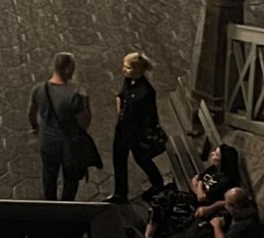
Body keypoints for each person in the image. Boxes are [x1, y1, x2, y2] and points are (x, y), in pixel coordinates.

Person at [28, 52, 99, 201]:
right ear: (67, 69)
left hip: (47, 142)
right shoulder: (74, 96)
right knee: (71, 177)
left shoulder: (39, 89)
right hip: (69, 145)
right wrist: (86, 102)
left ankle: (50, 203)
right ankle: (67, 205)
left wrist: (35, 127)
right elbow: (84, 124)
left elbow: (31, 113)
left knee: (49, 174)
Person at [112, 51, 169, 205]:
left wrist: (143, 137)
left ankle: (158, 185)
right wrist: (121, 114)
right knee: (118, 160)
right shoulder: (128, 80)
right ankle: (120, 193)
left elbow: (150, 118)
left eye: (128, 68)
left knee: (142, 160)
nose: (124, 70)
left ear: (138, 70)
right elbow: (121, 95)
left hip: (136, 134)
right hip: (123, 129)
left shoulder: (146, 92)